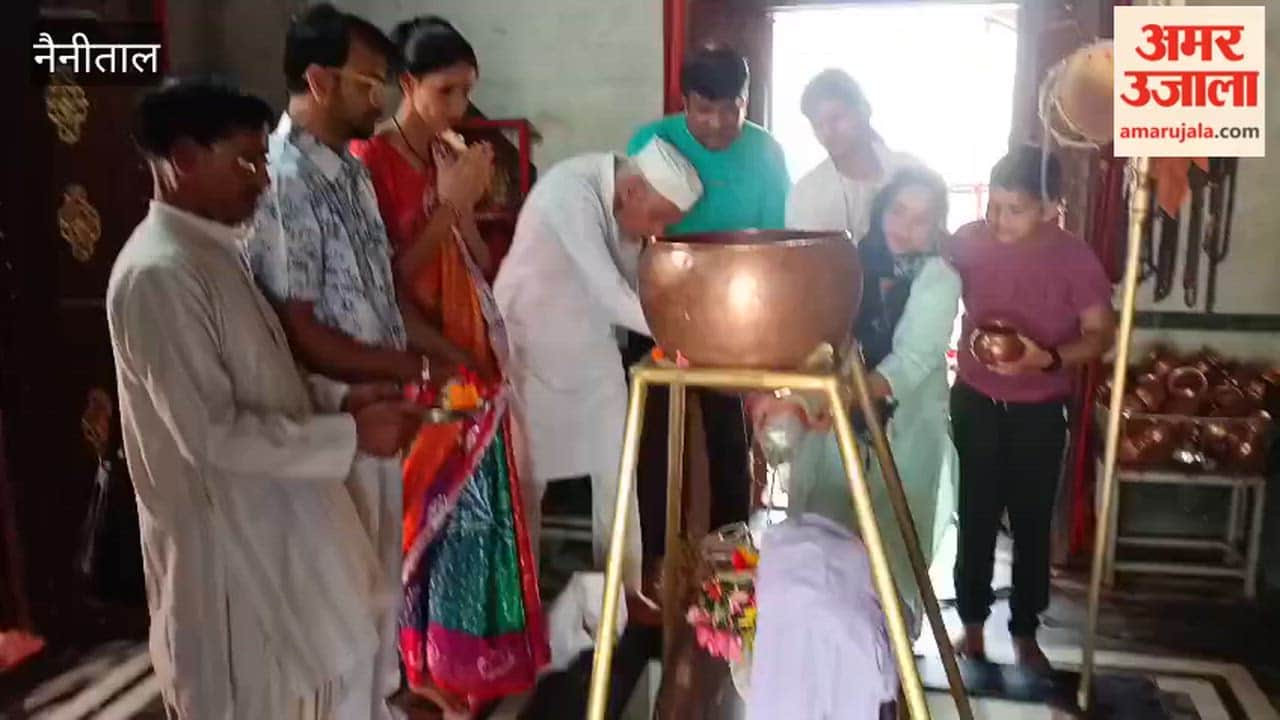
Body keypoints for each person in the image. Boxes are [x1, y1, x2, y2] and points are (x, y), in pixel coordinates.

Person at [107, 77, 419, 719]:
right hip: (229, 560)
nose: (263, 180)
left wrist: (345, 401)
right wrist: (352, 439)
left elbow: (266, 383)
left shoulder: (216, 255)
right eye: (245, 162)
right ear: (184, 160)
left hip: (278, 533)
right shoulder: (158, 274)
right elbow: (211, 435)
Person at [244, 6, 455, 717]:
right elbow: (296, 327)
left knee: (375, 578)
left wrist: (432, 358)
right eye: (370, 84)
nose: (383, 100)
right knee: (337, 586)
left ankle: (378, 702)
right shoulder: (285, 180)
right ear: (318, 80)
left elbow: (380, 287)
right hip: (334, 413)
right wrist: (399, 371)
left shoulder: (350, 174)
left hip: (378, 408)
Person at [349, 16, 547, 715]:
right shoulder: (366, 164)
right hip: (416, 369)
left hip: (469, 368)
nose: (460, 109)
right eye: (446, 92)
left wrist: (464, 208)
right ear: (406, 84)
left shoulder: (448, 153)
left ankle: (456, 665)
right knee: (414, 524)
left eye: (468, 92)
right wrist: (450, 203)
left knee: (470, 525)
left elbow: (478, 265)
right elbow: (383, 282)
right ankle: (408, 668)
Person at [747, 167, 959, 633]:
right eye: (900, 210)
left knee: (891, 552)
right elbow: (819, 344)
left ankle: (889, 672)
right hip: (833, 431)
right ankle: (823, 655)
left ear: (937, 226)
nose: (906, 225)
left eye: (922, 218)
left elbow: (914, 361)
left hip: (903, 434)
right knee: (825, 540)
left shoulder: (939, 279)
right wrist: (790, 396)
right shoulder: (848, 266)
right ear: (882, 209)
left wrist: (836, 397)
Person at [493, 138, 702, 597]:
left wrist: (682, 317)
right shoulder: (572, 191)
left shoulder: (629, 206)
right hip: (529, 343)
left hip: (589, 343)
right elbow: (611, 292)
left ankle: (621, 596)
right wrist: (695, 337)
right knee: (526, 477)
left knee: (616, 463)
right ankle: (516, 600)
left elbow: (634, 290)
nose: (660, 230)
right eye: (659, 217)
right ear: (632, 193)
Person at [625, 46, 786, 597]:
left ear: (747, 100)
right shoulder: (652, 142)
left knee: (727, 432)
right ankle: (653, 561)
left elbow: (771, 246)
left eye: (731, 108)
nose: (718, 124)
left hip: (731, 305)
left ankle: (730, 558)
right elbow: (635, 231)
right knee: (651, 435)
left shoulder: (767, 153)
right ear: (684, 103)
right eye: (704, 110)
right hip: (657, 299)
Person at [948, 146, 1115, 670]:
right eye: (993, 205)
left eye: (1014, 209)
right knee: (974, 514)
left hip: (1040, 408)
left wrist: (1048, 360)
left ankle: (1025, 631)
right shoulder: (971, 240)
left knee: (1031, 520)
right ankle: (971, 626)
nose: (997, 219)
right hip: (975, 399)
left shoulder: (1074, 258)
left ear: (1049, 208)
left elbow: (1100, 336)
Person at [787, 69, 918, 239]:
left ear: (864, 111)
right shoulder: (806, 193)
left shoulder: (913, 172)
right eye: (818, 125)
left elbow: (937, 253)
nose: (828, 132)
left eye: (836, 119)